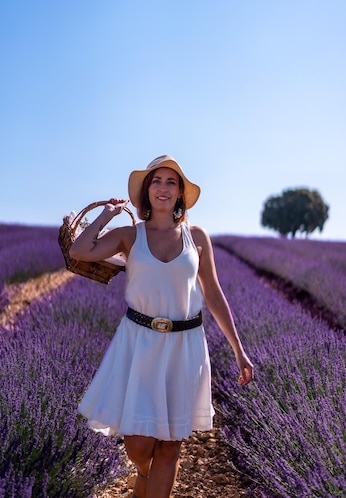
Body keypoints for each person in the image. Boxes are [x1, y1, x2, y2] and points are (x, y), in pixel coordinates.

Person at [69, 155, 254, 498]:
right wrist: (107, 215)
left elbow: (213, 293)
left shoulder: (197, 237)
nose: (164, 188)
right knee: (140, 445)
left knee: (170, 447)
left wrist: (239, 350)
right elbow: (80, 251)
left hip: (185, 346)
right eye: (157, 181)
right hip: (140, 343)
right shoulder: (129, 235)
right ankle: (142, 474)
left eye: (172, 182)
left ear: (181, 193)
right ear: (146, 191)